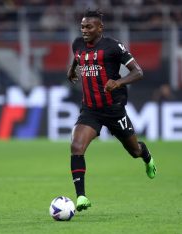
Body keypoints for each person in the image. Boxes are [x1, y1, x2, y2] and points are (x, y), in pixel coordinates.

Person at [67, 9, 157, 212]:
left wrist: (118, 82)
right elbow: (78, 57)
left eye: (89, 26)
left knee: (134, 151)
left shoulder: (113, 46)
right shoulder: (77, 44)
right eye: (82, 26)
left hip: (114, 109)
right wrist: (72, 69)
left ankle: (147, 156)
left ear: (100, 28)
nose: (84, 30)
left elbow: (138, 72)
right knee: (76, 146)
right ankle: (81, 197)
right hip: (90, 110)